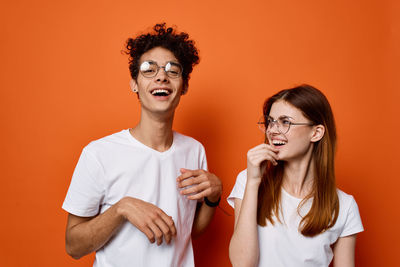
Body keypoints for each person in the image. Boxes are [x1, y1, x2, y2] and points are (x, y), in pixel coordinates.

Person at [62, 23, 222, 267]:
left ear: (184, 86)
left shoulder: (195, 150)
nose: (161, 76)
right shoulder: (99, 154)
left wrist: (213, 197)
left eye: (173, 70)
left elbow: (186, 231)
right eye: (149, 69)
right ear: (134, 84)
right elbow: (73, 246)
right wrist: (121, 209)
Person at [228, 84, 363, 267]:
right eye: (271, 121)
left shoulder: (344, 206)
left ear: (316, 133)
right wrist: (253, 182)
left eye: (285, 122)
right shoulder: (248, 181)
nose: (272, 130)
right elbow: (242, 263)